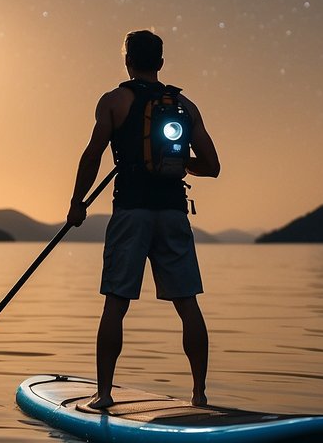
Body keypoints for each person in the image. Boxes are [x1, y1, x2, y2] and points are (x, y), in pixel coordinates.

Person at [67, 30, 221, 409]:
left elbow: (92, 155)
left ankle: (103, 395)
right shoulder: (185, 105)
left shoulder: (114, 101)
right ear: (162, 63)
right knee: (188, 304)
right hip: (172, 214)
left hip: (131, 213)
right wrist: (179, 163)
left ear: (127, 61)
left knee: (116, 303)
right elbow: (212, 167)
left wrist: (77, 202)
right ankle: (199, 395)